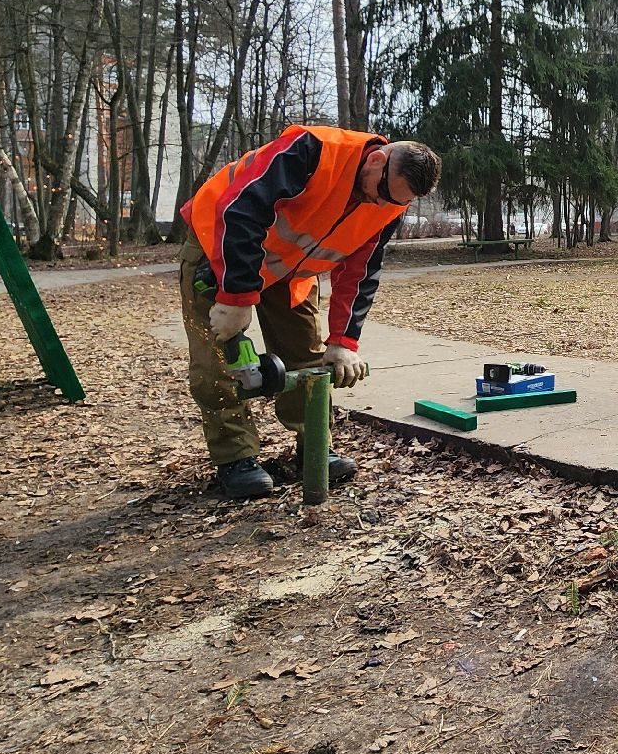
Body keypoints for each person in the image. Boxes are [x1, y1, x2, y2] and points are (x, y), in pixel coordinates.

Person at [178, 126, 441, 498]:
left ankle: (314, 445)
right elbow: (241, 210)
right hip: (220, 245)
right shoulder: (312, 151)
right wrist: (237, 298)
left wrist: (343, 341)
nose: (382, 205)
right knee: (216, 359)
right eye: (382, 193)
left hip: (289, 271)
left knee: (306, 355)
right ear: (376, 161)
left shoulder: (391, 201)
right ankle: (235, 457)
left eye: (395, 201)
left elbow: (361, 271)